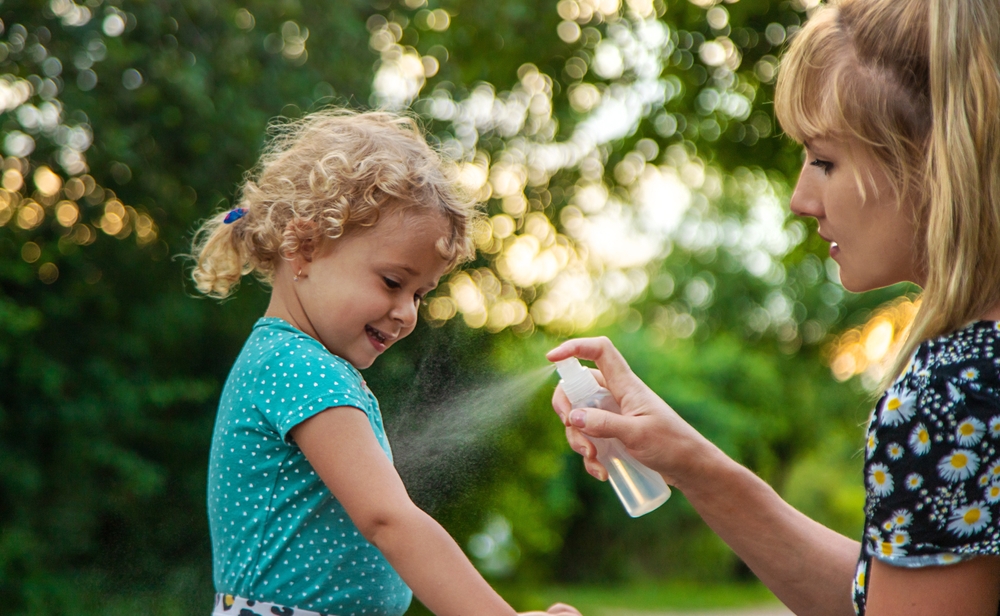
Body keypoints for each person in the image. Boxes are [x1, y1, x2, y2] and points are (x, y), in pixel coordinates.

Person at [549, 0, 1000, 614]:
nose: (800, 199)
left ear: (938, 158)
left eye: (824, 160)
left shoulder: (953, 391)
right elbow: (890, 597)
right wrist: (689, 461)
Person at [191, 110, 579, 616]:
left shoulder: (291, 361)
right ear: (305, 248)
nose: (407, 313)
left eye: (420, 294)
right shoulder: (296, 366)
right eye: (394, 283)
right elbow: (389, 521)